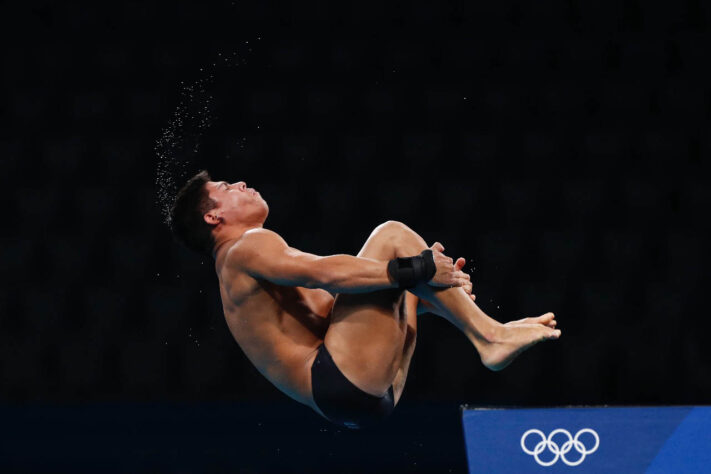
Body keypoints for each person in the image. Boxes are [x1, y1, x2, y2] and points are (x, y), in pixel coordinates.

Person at [169, 171, 561, 429]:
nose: (240, 184)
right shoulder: (243, 248)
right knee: (393, 237)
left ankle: (486, 330)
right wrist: (420, 269)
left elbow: (332, 308)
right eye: (225, 189)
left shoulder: (243, 272)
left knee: (408, 272)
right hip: (339, 379)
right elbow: (326, 273)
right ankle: (490, 336)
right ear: (212, 218)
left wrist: (434, 293)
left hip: (356, 397)